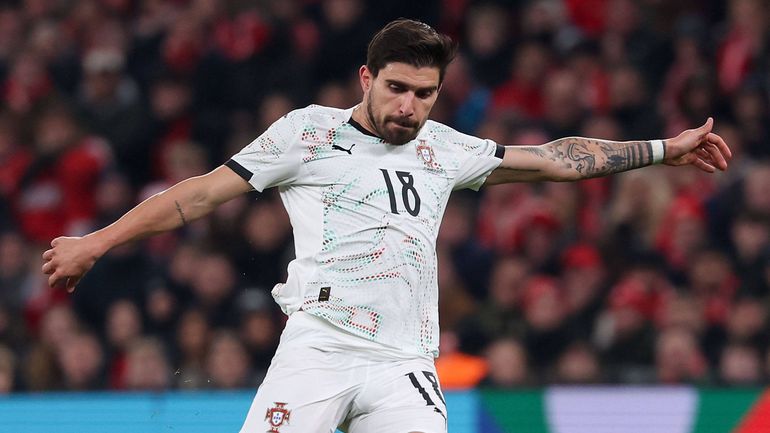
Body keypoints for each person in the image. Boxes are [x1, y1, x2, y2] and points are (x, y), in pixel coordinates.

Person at [42, 19, 731, 433]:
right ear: (366, 77)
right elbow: (198, 195)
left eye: (424, 94)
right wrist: (96, 242)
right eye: (396, 88)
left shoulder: (446, 149)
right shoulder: (308, 133)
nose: (408, 106)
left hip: (404, 360)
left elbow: (555, 159)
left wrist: (662, 149)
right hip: (320, 345)